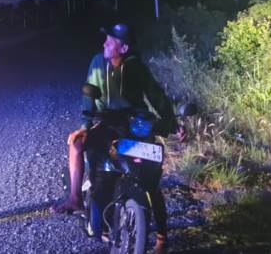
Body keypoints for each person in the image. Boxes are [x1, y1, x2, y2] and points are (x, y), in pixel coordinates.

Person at [52, 23, 179, 254]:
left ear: (124, 48)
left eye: (110, 41)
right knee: (77, 143)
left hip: (133, 124)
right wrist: (85, 126)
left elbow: (156, 95)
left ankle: (162, 238)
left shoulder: (136, 67)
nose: (105, 44)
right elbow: (88, 96)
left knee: (151, 179)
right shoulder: (97, 62)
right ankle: (74, 197)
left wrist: (172, 123)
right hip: (105, 122)